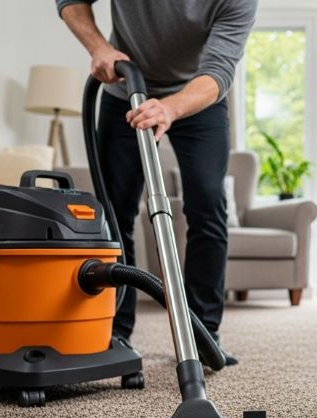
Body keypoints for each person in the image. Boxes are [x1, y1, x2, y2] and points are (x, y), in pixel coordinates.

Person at [58, 0, 258, 363]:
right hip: (124, 90)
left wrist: (170, 108)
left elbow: (219, 69)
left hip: (200, 97)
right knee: (115, 213)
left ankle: (203, 335)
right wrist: (100, 48)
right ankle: (114, 332)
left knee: (208, 204)